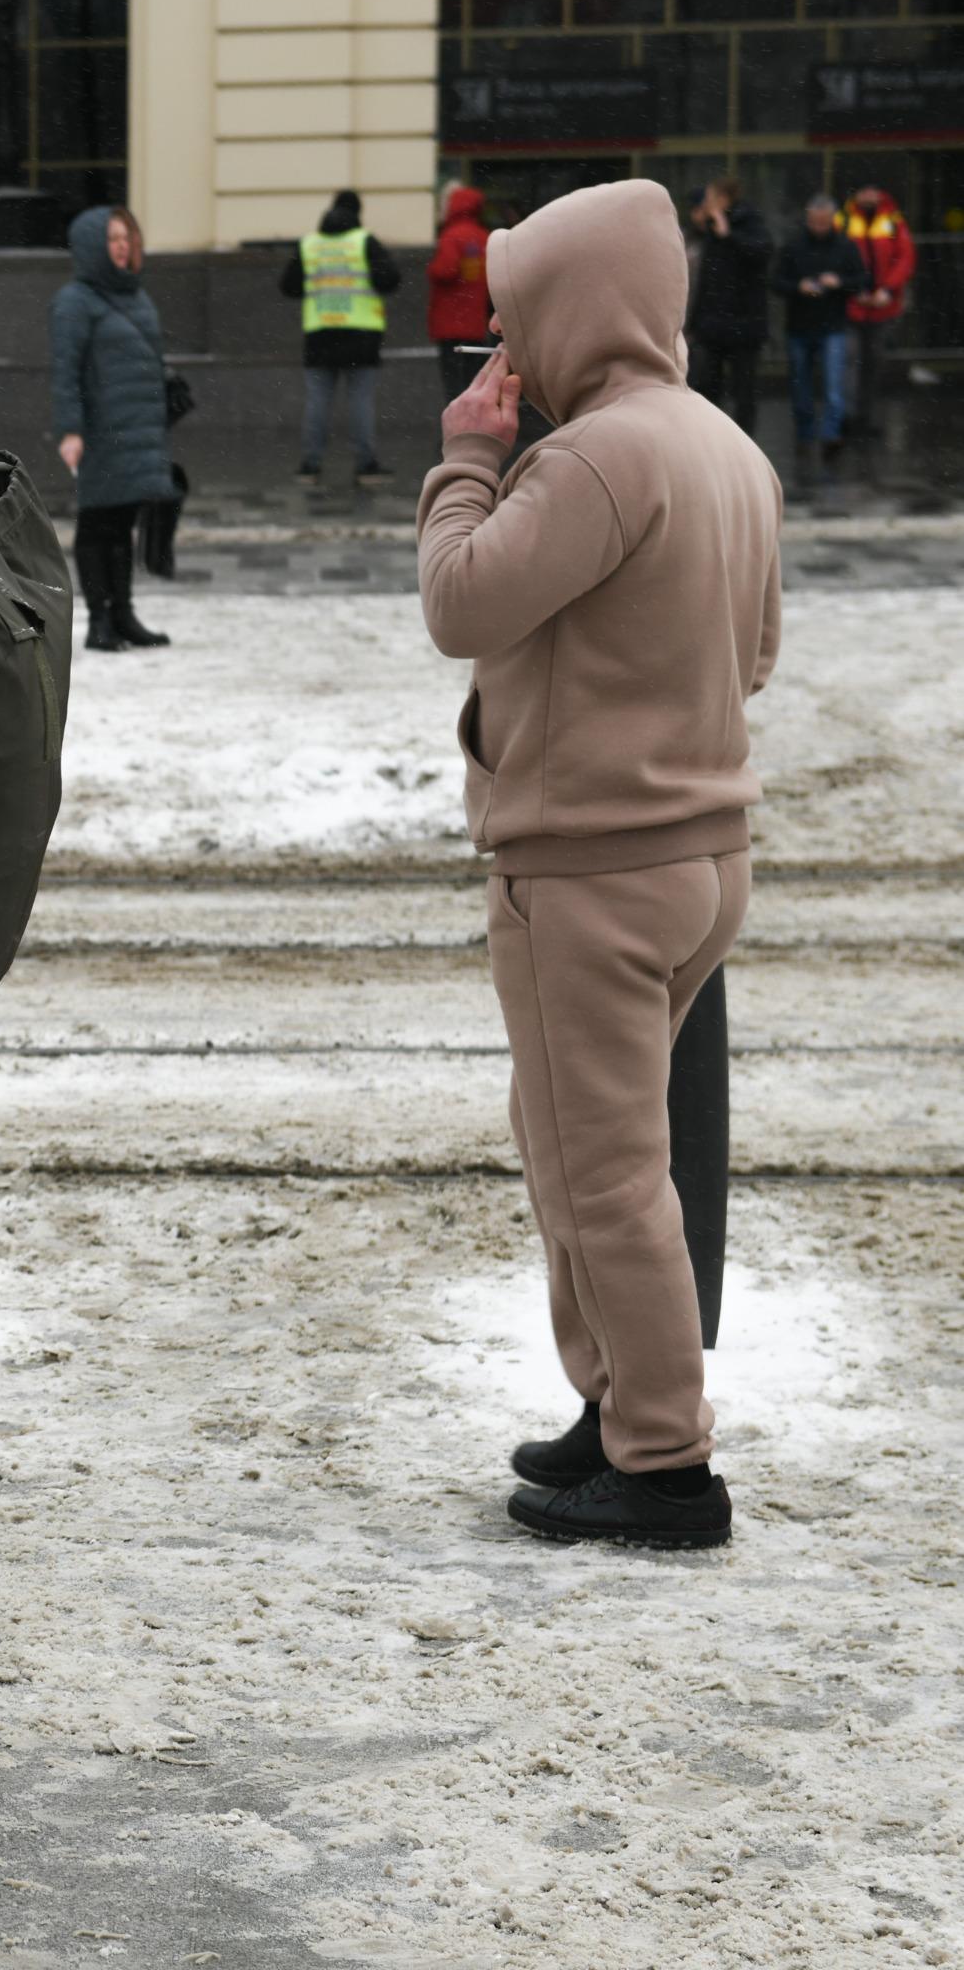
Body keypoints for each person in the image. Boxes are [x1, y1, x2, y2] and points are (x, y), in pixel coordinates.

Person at [417, 177, 778, 1552]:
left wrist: (463, 458)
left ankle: (661, 1467)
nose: (504, 348)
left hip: (584, 870)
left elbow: (460, 601)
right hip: (697, 860)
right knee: (579, 1147)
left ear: (574, 307)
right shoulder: (724, 449)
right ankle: (617, 1405)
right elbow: (752, 660)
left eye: (515, 313)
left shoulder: (592, 459)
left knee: (601, 1172)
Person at [50, 205, 179, 652]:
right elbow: (65, 372)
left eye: (127, 239)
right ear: (91, 246)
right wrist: (70, 430)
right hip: (100, 430)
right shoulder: (74, 302)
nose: (122, 248)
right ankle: (98, 620)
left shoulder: (137, 296)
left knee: (123, 523)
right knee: (96, 523)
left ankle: (123, 614)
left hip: (138, 426)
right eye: (113, 240)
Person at [281, 188, 402, 484]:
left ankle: (310, 466)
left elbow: (289, 286)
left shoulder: (310, 244)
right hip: (361, 335)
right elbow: (390, 279)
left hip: (320, 335)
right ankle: (366, 465)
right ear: (358, 213)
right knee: (360, 401)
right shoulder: (364, 242)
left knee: (318, 401)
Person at [772, 194, 869, 471]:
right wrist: (798, 287)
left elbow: (861, 280)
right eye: (815, 222)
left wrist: (839, 282)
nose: (819, 227)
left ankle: (830, 436)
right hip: (800, 326)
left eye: (824, 222)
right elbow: (777, 282)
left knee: (833, 387)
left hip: (833, 326)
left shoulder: (845, 246)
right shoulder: (794, 246)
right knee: (800, 387)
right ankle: (805, 434)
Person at [682, 178, 773, 435]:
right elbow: (706, 280)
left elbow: (762, 252)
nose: (706, 205)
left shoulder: (750, 222)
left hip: (744, 324)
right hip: (713, 324)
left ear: (724, 199)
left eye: (710, 199)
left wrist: (729, 236)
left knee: (744, 390)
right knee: (708, 387)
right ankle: (714, 438)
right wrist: (695, 323)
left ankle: (745, 442)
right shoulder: (710, 230)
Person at [843, 182, 916, 436]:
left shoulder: (892, 219)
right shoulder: (844, 220)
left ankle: (868, 418)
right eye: (863, 191)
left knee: (873, 363)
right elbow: (838, 258)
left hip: (882, 309)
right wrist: (854, 290)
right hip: (851, 308)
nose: (868, 196)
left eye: (872, 191)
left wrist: (887, 289)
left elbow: (905, 258)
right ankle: (849, 417)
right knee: (850, 361)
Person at [427, 183, 493, 403]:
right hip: (475, 321)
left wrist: (431, 269)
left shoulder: (452, 236)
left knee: (453, 382)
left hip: (450, 322)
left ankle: (457, 432)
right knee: (474, 381)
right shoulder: (484, 236)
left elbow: (445, 270)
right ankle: (476, 428)